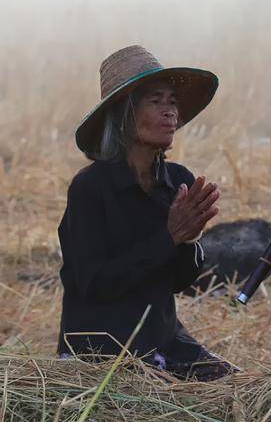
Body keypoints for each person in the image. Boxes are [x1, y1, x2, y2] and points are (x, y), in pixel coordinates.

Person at [58, 46, 233, 380]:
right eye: (156, 101)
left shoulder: (177, 181)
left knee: (233, 386)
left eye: (173, 102)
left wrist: (188, 241)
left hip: (162, 337)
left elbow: (180, 282)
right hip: (101, 346)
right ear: (124, 113)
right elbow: (95, 283)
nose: (171, 113)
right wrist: (169, 238)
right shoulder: (90, 189)